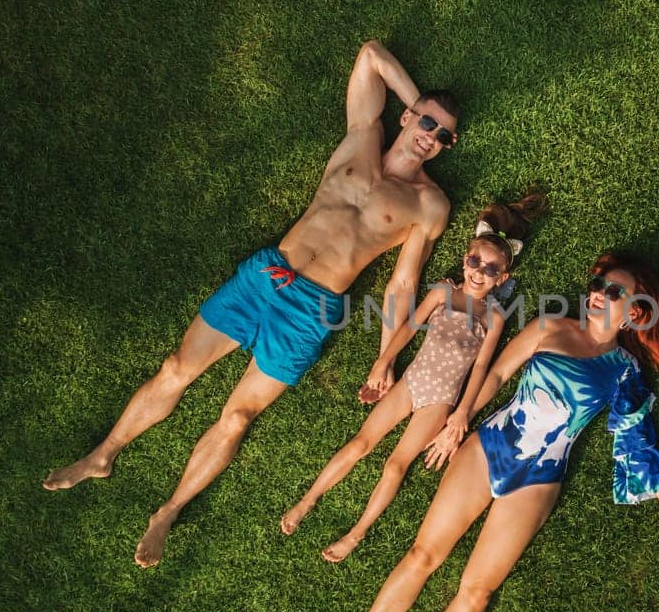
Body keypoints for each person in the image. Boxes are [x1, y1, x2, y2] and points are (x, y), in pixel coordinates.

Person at [42, 40, 456, 568]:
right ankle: (103, 455)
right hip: (265, 277)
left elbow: (404, 283)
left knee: (237, 418)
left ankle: (167, 512)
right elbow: (371, 55)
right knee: (176, 368)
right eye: (426, 123)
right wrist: (418, 103)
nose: (431, 138)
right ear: (407, 115)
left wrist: (386, 358)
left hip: (313, 312)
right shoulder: (361, 138)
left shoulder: (429, 204)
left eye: (443, 136)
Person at [314, 252, 659, 612]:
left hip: (540, 478)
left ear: (635, 312)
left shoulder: (623, 370)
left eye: (615, 291)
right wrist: (459, 421)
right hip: (491, 445)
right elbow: (494, 376)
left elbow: (635, 437)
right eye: (600, 282)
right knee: (423, 554)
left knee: (476, 591)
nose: (600, 291)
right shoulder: (547, 326)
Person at [280, 196, 545, 561]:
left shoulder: (494, 317)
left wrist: (460, 415)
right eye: (474, 261)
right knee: (360, 443)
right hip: (411, 382)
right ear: (466, 258)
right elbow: (407, 329)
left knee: (395, 465)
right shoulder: (442, 292)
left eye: (489, 269)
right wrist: (383, 362)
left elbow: (482, 369)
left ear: (502, 278)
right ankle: (307, 500)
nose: (478, 271)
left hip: (440, 400)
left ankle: (356, 534)